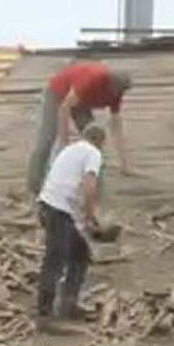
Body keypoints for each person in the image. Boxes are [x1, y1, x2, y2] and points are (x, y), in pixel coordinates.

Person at [27, 60, 132, 198]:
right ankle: (35, 187)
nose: (114, 94)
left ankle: (95, 188)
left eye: (119, 92)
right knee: (46, 139)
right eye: (113, 90)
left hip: (82, 100)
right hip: (57, 93)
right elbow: (64, 109)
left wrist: (123, 161)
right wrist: (65, 143)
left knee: (94, 139)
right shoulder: (91, 79)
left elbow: (116, 126)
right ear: (108, 83)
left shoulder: (116, 94)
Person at [36, 124, 106, 322]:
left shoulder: (70, 149)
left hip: (47, 205)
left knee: (79, 254)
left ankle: (68, 303)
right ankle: (44, 312)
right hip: (57, 210)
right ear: (100, 142)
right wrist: (90, 216)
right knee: (54, 260)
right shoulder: (93, 152)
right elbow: (89, 186)